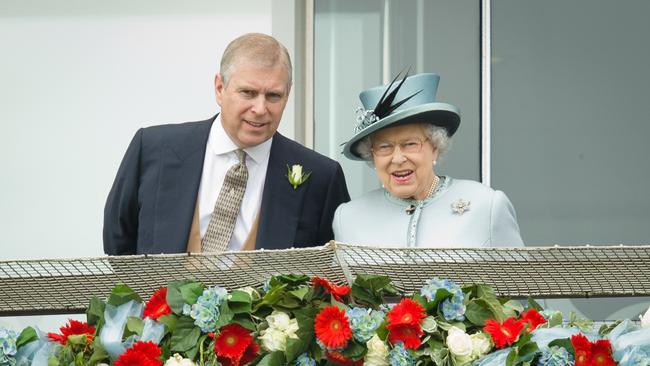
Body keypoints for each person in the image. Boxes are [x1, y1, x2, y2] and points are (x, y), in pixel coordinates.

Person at [104, 33, 350, 255]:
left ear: (287, 95)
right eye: (248, 93)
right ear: (220, 88)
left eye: (273, 96)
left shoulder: (322, 177)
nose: (260, 109)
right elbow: (118, 242)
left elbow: (330, 270)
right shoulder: (152, 149)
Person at [333, 72, 523, 247]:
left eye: (410, 144)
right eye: (384, 147)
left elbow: (518, 283)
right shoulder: (348, 218)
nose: (397, 159)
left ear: (435, 148)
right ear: (372, 155)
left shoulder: (487, 205)